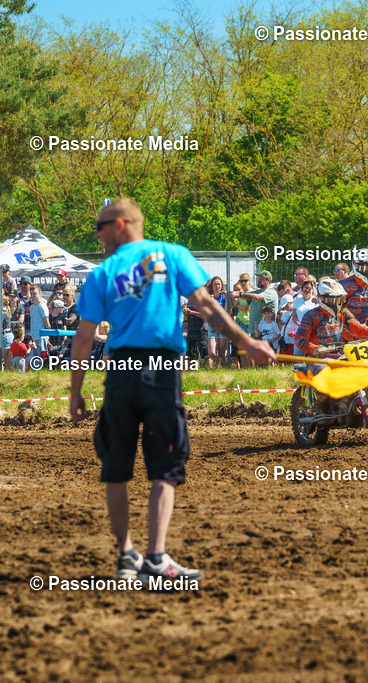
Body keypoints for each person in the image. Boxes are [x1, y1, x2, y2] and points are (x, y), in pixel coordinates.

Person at [69, 198, 275, 583]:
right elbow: (207, 306)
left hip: (120, 372)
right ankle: (155, 559)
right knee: (164, 465)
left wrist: (75, 391)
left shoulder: (103, 274)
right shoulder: (171, 255)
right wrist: (246, 342)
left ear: (122, 224)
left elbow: (83, 340)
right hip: (162, 370)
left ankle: (127, 558)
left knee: (117, 466)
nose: (96, 235)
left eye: (100, 227)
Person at [296, 279, 368, 359]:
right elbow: (299, 338)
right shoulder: (311, 315)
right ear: (322, 298)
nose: (336, 303)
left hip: (340, 356)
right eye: (332, 300)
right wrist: (313, 348)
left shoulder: (343, 312)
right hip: (318, 359)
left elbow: (357, 328)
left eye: (339, 299)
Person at [233, 270, 278, 338]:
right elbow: (248, 296)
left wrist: (239, 294)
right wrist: (234, 294)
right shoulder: (257, 291)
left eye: (262, 279)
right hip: (255, 329)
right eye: (259, 278)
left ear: (268, 280)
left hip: (266, 331)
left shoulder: (271, 292)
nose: (259, 280)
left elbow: (257, 297)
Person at [205, 277, 228, 366]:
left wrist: (226, 297)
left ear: (221, 285)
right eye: (215, 284)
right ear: (212, 286)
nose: (217, 286)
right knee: (213, 352)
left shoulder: (224, 297)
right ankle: (221, 365)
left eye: (219, 284)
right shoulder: (209, 297)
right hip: (212, 326)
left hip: (222, 326)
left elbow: (226, 311)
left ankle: (223, 369)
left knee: (222, 353)